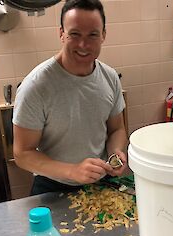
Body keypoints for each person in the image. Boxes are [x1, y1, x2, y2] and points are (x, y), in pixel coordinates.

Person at [12, 0, 128, 195]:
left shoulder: (110, 78)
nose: (83, 44)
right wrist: (72, 171)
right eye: (75, 34)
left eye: (93, 34)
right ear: (61, 34)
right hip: (53, 186)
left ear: (103, 36)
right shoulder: (36, 86)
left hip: (101, 181)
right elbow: (22, 154)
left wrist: (115, 151)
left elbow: (117, 129)